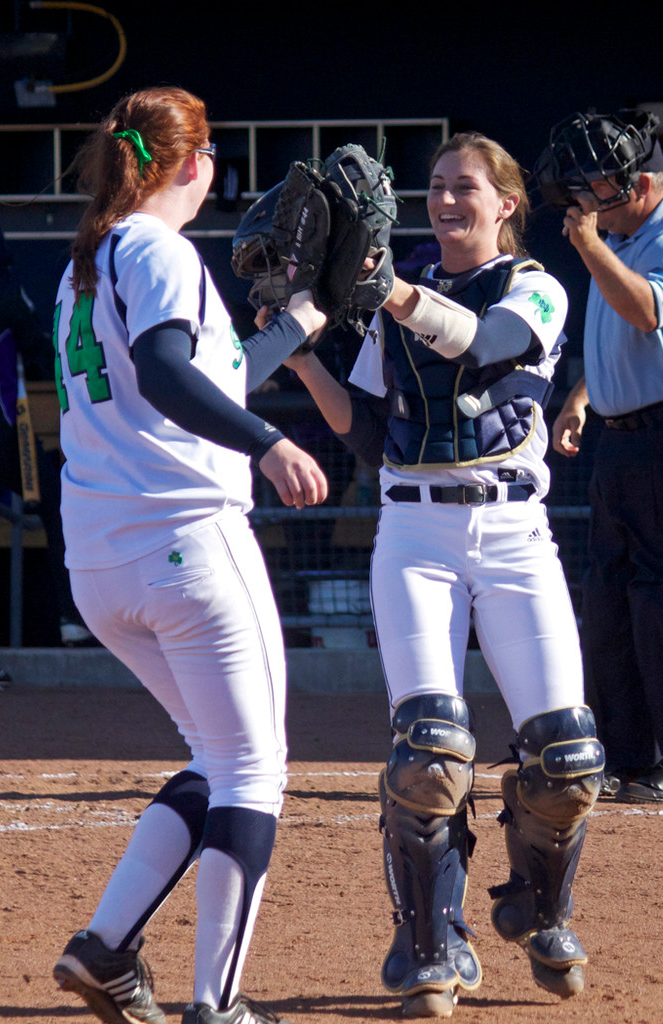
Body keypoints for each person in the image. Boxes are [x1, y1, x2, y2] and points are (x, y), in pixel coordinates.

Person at [282, 132, 604, 1017]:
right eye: (434, 186)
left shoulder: (535, 284)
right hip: (415, 531)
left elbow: (483, 345)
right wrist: (300, 345)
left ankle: (540, 909)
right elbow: (364, 428)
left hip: (511, 529)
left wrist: (386, 287)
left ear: (505, 203)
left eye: (466, 187)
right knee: (427, 752)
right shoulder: (390, 302)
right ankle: (429, 943)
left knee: (569, 760)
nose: (446, 199)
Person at [50, 86, 328, 1024]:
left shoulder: (86, 259)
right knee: (252, 767)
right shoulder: (160, 248)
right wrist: (268, 441)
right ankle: (219, 1003)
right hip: (184, 542)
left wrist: (298, 327)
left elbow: (195, 371)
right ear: (193, 163)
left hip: (102, 560)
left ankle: (102, 950)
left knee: (216, 758)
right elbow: (171, 374)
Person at [541, 111, 663, 803]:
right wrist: (581, 395)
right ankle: (624, 757)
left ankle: (653, 758)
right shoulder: (613, 238)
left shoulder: (632, 240)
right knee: (608, 598)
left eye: (597, 188)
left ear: (642, 183)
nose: (583, 203)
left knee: (651, 601)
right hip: (617, 441)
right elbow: (619, 331)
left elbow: (646, 311)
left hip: (655, 439)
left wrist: (590, 247)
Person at [0, 216, 93, 688]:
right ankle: (71, 617)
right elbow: (44, 355)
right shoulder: (7, 297)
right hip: (3, 437)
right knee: (61, 506)